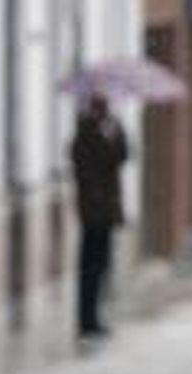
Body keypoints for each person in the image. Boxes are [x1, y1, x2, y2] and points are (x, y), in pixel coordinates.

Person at [70, 92, 128, 340]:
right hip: (93, 212)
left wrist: (118, 133)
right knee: (90, 269)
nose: (105, 113)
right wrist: (109, 137)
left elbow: (122, 156)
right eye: (102, 108)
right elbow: (99, 163)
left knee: (101, 267)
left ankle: (94, 317)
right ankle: (87, 320)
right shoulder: (84, 135)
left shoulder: (108, 131)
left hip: (105, 212)